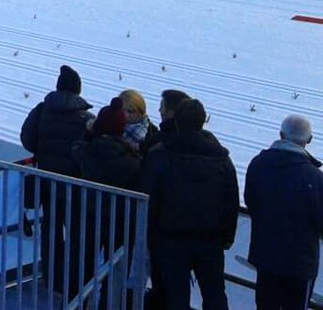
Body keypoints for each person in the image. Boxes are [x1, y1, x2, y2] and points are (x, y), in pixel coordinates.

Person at [142, 99, 239, 310]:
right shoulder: (221, 157)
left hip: (170, 240)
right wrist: (228, 236)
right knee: (215, 295)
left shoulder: (160, 154)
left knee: (176, 297)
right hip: (210, 240)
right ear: (203, 121)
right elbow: (231, 200)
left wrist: (150, 237)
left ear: (176, 121)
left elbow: (149, 199)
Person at [19, 65, 93, 293]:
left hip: (47, 185)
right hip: (76, 188)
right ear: (78, 90)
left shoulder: (42, 110)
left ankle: (51, 277)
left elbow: (27, 140)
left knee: (50, 232)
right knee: (77, 236)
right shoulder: (86, 119)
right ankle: (73, 283)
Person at [244, 115, 323, 310]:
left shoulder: (259, 164)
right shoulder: (314, 176)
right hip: (300, 264)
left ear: (281, 135)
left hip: (265, 256)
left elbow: (251, 201)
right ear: (309, 140)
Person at [73, 97, 142, 295]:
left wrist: (89, 131)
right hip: (120, 222)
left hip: (89, 215)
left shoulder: (86, 151)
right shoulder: (132, 160)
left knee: (81, 270)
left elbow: (76, 148)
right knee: (116, 272)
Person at [118, 88, 160, 158]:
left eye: (130, 111)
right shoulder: (110, 126)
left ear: (140, 112)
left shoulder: (152, 135)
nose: (125, 115)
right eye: (122, 110)